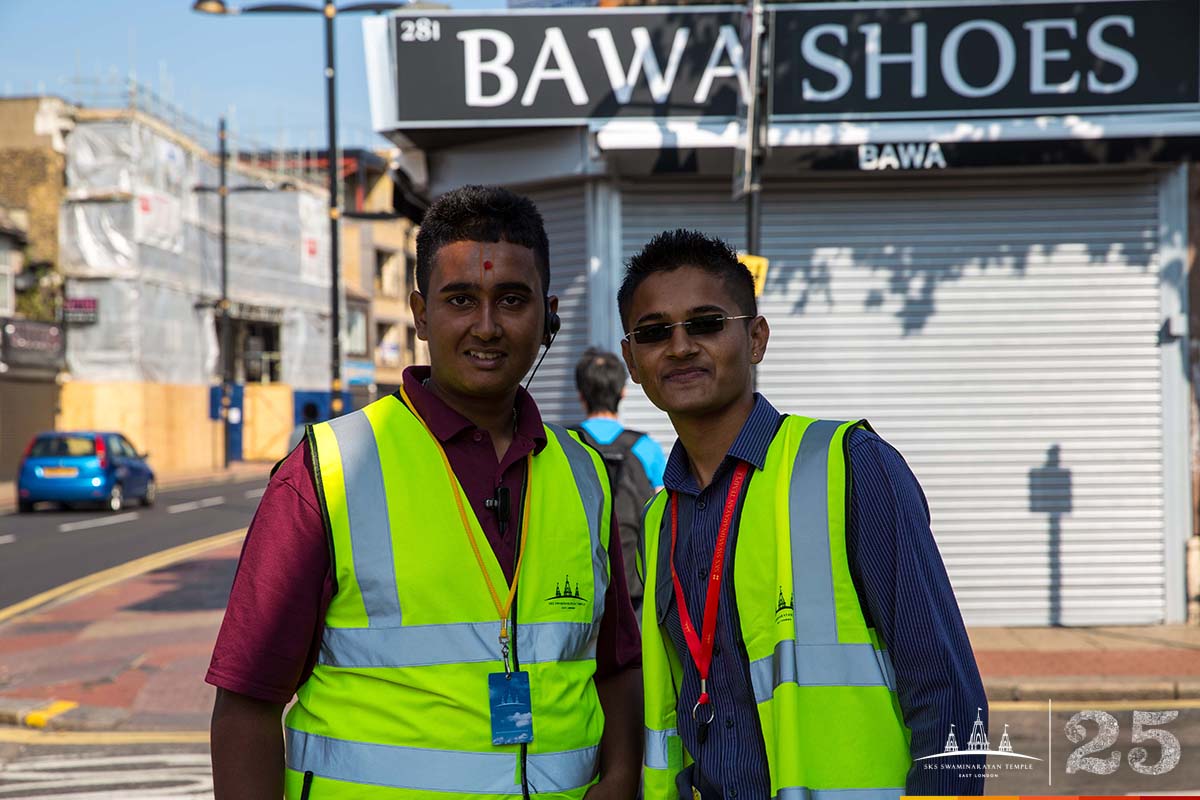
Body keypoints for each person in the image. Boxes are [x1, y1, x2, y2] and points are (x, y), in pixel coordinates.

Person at [207, 185, 642, 800]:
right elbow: (247, 703)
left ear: (548, 316)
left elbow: (617, 664)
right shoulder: (326, 471)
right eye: (460, 299)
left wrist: (621, 776)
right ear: (418, 313)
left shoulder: (586, 475)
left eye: (511, 300)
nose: (486, 327)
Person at [618, 229, 988, 800]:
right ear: (632, 362)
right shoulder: (662, 518)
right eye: (654, 332)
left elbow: (948, 694)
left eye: (707, 323)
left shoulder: (848, 466)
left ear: (757, 338)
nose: (681, 345)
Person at [572, 347, 666, 614]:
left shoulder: (564, 444)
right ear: (622, 392)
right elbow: (663, 518)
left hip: (576, 588)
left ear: (581, 395)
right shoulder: (646, 447)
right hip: (634, 588)